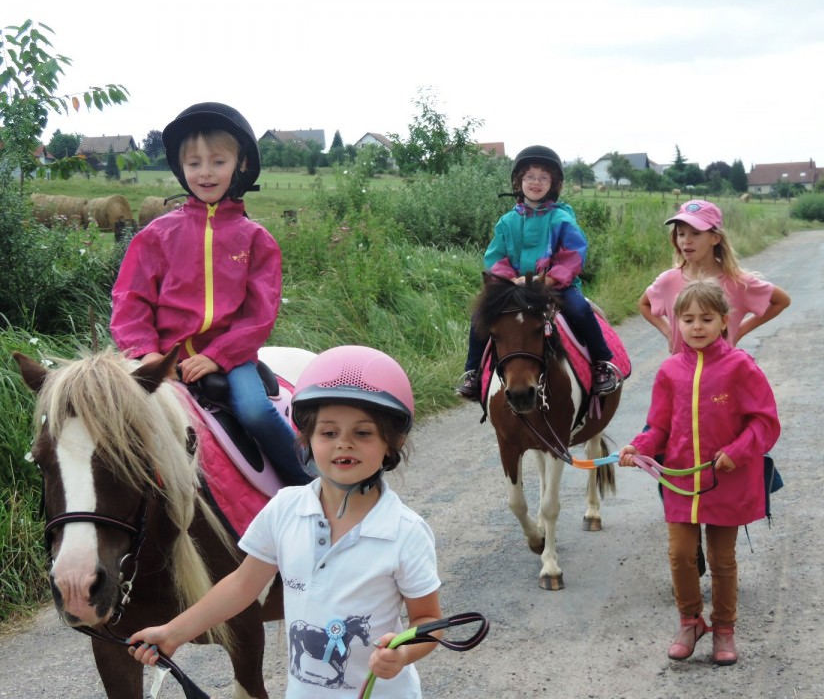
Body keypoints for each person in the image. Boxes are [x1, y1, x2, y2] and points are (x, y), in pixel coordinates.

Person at [128, 345, 443, 698]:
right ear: (306, 439)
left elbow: (428, 620)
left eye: (363, 433)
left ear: (391, 443)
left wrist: (403, 653)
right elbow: (243, 585)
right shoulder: (285, 509)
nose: (344, 444)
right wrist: (175, 632)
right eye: (328, 433)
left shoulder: (405, 531)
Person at [110, 102, 312, 486]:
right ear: (181, 168)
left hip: (231, 359)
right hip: (162, 356)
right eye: (194, 163)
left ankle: (310, 484)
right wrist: (148, 354)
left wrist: (217, 356)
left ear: (241, 165)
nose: (205, 172)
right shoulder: (154, 237)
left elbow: (259, 315)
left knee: (254, 411)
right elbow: (130, 302)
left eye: (218, 162)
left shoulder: (256, 240)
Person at [619, 281, 780, 666]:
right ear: (677, 324)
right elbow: (657, 427)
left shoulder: (741, 367)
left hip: (727, 480)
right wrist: (638, 447)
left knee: (722, 560)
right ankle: (690, 621)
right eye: (688, 319)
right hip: (679, 480)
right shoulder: (670, 370)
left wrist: (736, 452)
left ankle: (724, 629)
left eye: (706, 319)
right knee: (679, 555)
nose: (696, 327)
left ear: (724, 321)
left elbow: (766, 423)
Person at [455, 145, 619, 400]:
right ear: (519, 182)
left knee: (580, 310)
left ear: (553, 183)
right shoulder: (507, 222)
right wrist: (510, 280)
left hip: (556, 286)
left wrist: (551, 278)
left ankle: (602, 363)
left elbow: (574, 253)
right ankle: (472, 372)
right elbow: (496, 256)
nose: (536, 182)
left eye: (543, 177)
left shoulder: (561, 219)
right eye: (530, 176)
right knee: (480, 315)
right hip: (513, 288)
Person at [638, 199, 791, 355]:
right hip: (682, 374)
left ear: (715, 238)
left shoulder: (738, 282)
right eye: (681, 233)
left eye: (696, 233)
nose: (686, 240)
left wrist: (739, 331)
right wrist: (669, 332)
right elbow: (644, 304)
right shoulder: (668, 280)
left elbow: (781, 300)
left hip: (723, 373)